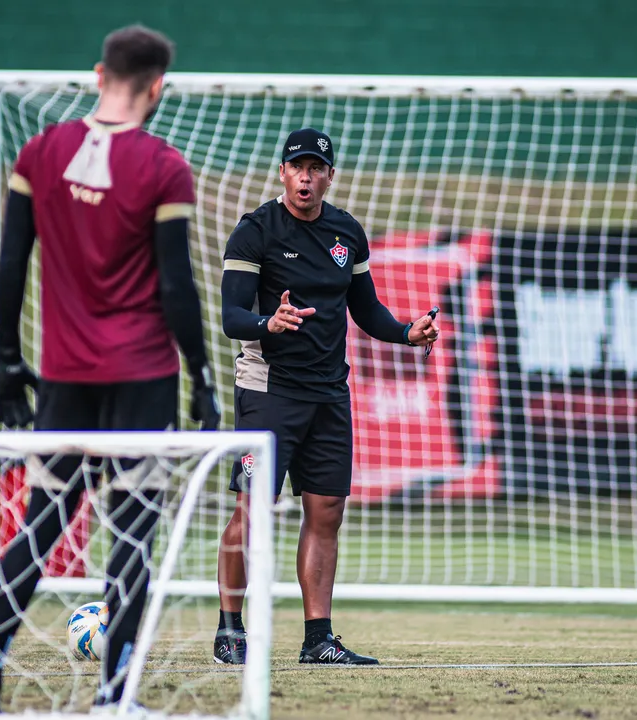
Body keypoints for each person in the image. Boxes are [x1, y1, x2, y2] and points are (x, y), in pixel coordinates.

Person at [0, 24, 220, 715]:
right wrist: (203, 377)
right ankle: (112, 696)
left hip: (65, 377)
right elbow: (176, 289)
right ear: (158, 86)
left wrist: (7, 363)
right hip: (142, 378)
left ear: (98, 75)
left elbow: (10, 266)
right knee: (131, 531)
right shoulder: (165, 166)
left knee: (41, 524)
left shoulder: (39, 151)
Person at [215, 128, 439, 666]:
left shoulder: (346, 232)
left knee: (327, 512)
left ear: (330, 176)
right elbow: (232, 317)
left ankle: (318, 639)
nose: (307, 177)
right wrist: (271, 320)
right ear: (283, 172)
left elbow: (367, 310)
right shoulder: (255, 232)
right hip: (268, 390)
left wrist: (407, 332)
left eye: (317, 168)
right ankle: (229, 630)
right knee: (252, 509)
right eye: (298, 167)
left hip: (329, 394)